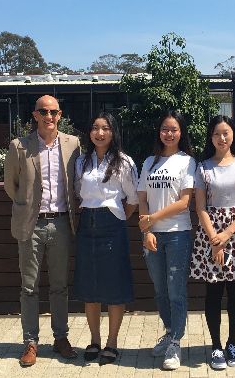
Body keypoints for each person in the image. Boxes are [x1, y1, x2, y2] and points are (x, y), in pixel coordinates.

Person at [4, 95, 80, 367]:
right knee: (29, 287)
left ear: (60, 114)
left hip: (61, 223)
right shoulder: (19, 146)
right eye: (43, 111)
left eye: (54, 112)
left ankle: (61, 338)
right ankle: (31, 342)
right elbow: (11, 186)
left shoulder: (73, 144)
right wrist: (27, 207)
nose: (49, 116)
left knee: (60, 286)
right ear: (34, 115)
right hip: (31, 224)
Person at [190, 116, 235, 370]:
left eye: (226, 133)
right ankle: (216, 346)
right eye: (217, 134)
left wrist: (227, 234)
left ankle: (233, 342)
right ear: (211, 137)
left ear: (232, 135)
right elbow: (200, 206)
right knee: (214, 292)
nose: (222, 138)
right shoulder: (203, 167)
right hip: (211, 232)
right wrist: (215, 239)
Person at [73, 112, 138, 365]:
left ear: (113, 132)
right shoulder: (81, 161)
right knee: (90, 288)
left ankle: (112, 343)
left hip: (113, 225)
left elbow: (132, 200)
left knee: (114, 287)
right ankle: (94, 340)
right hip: (87, 224)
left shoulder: (124, 162)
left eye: (105, 128)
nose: (99, 133)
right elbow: (78, 193)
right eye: (95, 128)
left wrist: (119, 217)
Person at [137, 110, 196, 370]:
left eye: (174, 129)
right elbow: (141, 199)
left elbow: (184, 202)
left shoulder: (187, 161)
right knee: (160, 289)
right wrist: (146, 229)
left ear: (181, 132)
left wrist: (153, 218)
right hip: (152, 235)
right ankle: (170, 331)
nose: (169, 133)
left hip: (177, 234)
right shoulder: (149, 161)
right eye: (164, 129)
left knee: (175, 290)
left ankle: (176, 343)